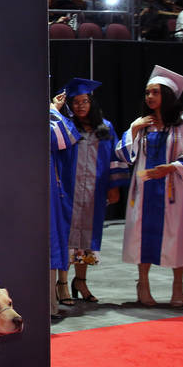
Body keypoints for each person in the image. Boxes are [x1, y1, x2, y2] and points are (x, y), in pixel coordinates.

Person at [118, 66, 183, 307]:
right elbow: (123, 154)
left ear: (168, 95)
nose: (150, 97)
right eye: (147, 93)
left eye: (155, 92)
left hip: (177, 190)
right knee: (142, 235)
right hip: (145, 191)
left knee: (178, 236)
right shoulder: (142, 123)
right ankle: (143, 284)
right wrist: (134, 129)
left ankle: (178, 286)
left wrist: (173, 167)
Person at [55, 79, 129, 303]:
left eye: (84, 101)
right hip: (68, 191)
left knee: (87, 236)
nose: (80, 106)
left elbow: (115, 159)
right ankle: (62, 284)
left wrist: (114, 187)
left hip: (94, 193)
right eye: (75, 102)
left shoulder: (104, 128)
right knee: (67, 235)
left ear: (91, 102)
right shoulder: (66, 128)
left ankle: (81, 281)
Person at [49, 91, 79, 317]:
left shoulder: (49, 120)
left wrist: (52, 111)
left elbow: (65, 138)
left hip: (45, 190)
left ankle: (48, 303)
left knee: (48, 244)